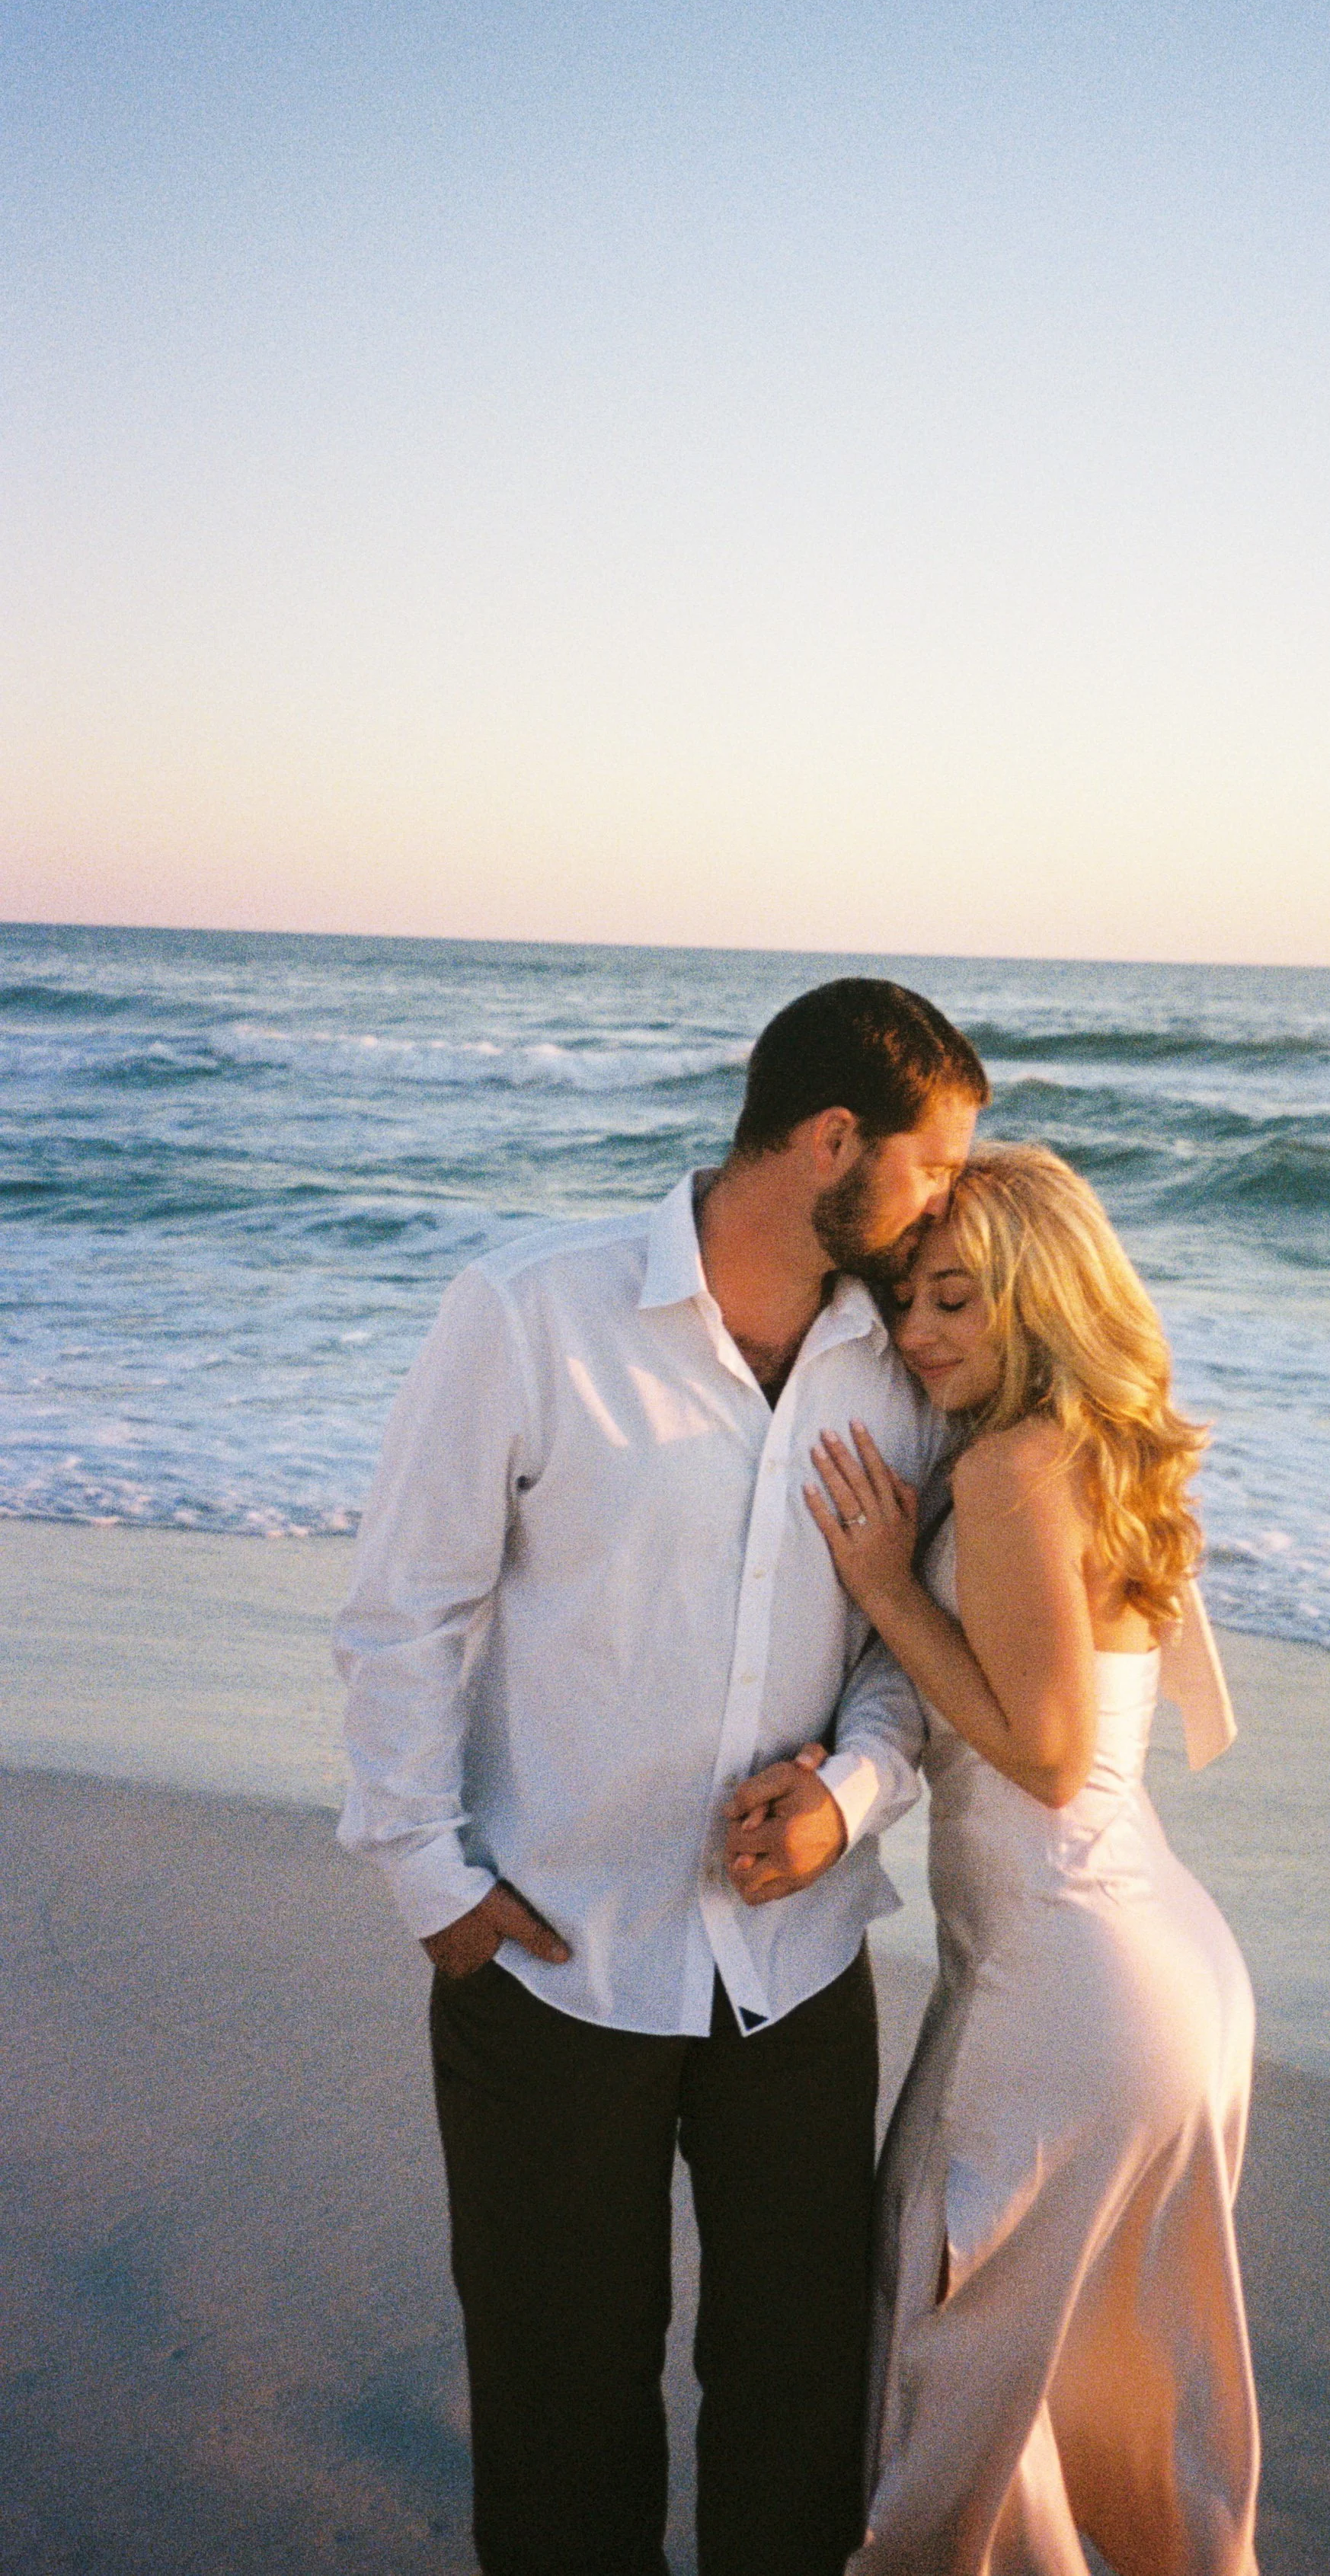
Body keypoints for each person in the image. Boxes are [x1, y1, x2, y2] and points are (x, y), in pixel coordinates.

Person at [334, 978, 989, 2576]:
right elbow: (407, 1604)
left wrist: (851, 1789)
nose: (946, 1209)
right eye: (933, 1164)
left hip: (795, 1973)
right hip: (548, 1961)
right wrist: (432, 1882)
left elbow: (908, 1646)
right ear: (831, 1141)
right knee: (561, 2415)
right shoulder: (529, 1310)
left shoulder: (901, 1363)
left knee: (795, 2408)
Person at [805, 1142, 1260, 2576]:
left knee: (956, 2403)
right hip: (1164, 1969)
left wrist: (882, 1582)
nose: (919, 1332)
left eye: (956, 1300)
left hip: (1058, 1986)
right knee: (1124, 2404)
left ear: (1042, 1298)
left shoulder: (1010, 1470)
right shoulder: (1090, 1449)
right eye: (906, 1304)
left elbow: (1050, 1754)